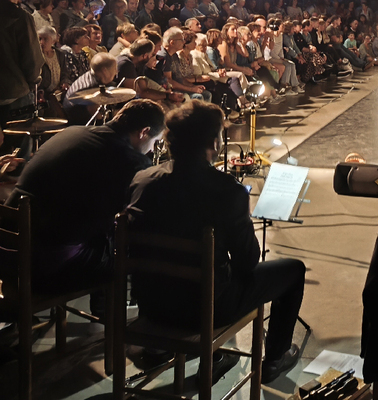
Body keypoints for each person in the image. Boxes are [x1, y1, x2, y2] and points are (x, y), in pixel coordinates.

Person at [126, 101, 306, 384]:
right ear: (213, 142)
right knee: (293, 271)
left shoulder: (142, 181)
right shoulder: (227, 191)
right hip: (203, 311)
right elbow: (248, 263)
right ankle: (275, 358)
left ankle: (162, 350)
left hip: (150, 304)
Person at [13, 99, 166, 294]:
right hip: (44, 268)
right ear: (144, 132)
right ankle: (107, 312)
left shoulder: (70, 133)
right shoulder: (131, 161)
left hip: (9, 252)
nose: (152, 149)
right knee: (126, 260)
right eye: (154, 141)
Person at [0, 0, 44, 126]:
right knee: (20, 138)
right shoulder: (20, 17)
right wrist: (33, 82)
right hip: (14, 93)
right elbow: (32, 59)